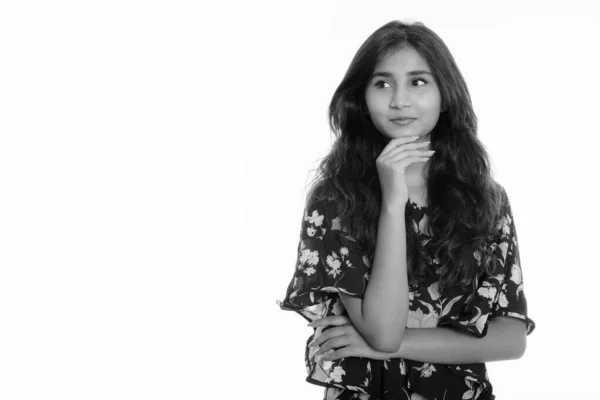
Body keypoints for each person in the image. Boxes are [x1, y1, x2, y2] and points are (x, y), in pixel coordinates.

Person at [277, 20, 535, 400]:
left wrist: (388, 347)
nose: (399, 100)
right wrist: (393, 203)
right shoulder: (337, 199)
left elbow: (510, 339)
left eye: (418, 81)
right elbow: (383, 328)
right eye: (382, 83)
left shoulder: (486, 200)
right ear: (361, 99)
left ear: (445, 94)